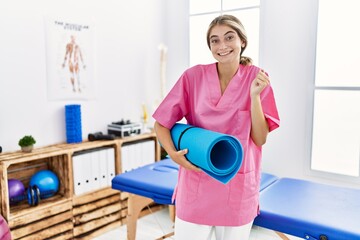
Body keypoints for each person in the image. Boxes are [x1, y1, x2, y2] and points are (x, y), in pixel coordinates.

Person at [152, 14, 280, 240]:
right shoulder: (192, 77)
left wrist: (254, 97)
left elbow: (260, 139)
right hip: (196, 183)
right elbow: (161, 123)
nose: (222, 46)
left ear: (242, 41)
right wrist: (173, 154)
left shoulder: (257, 79)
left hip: (237, 188)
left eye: (229, 37)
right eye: (215, 40)